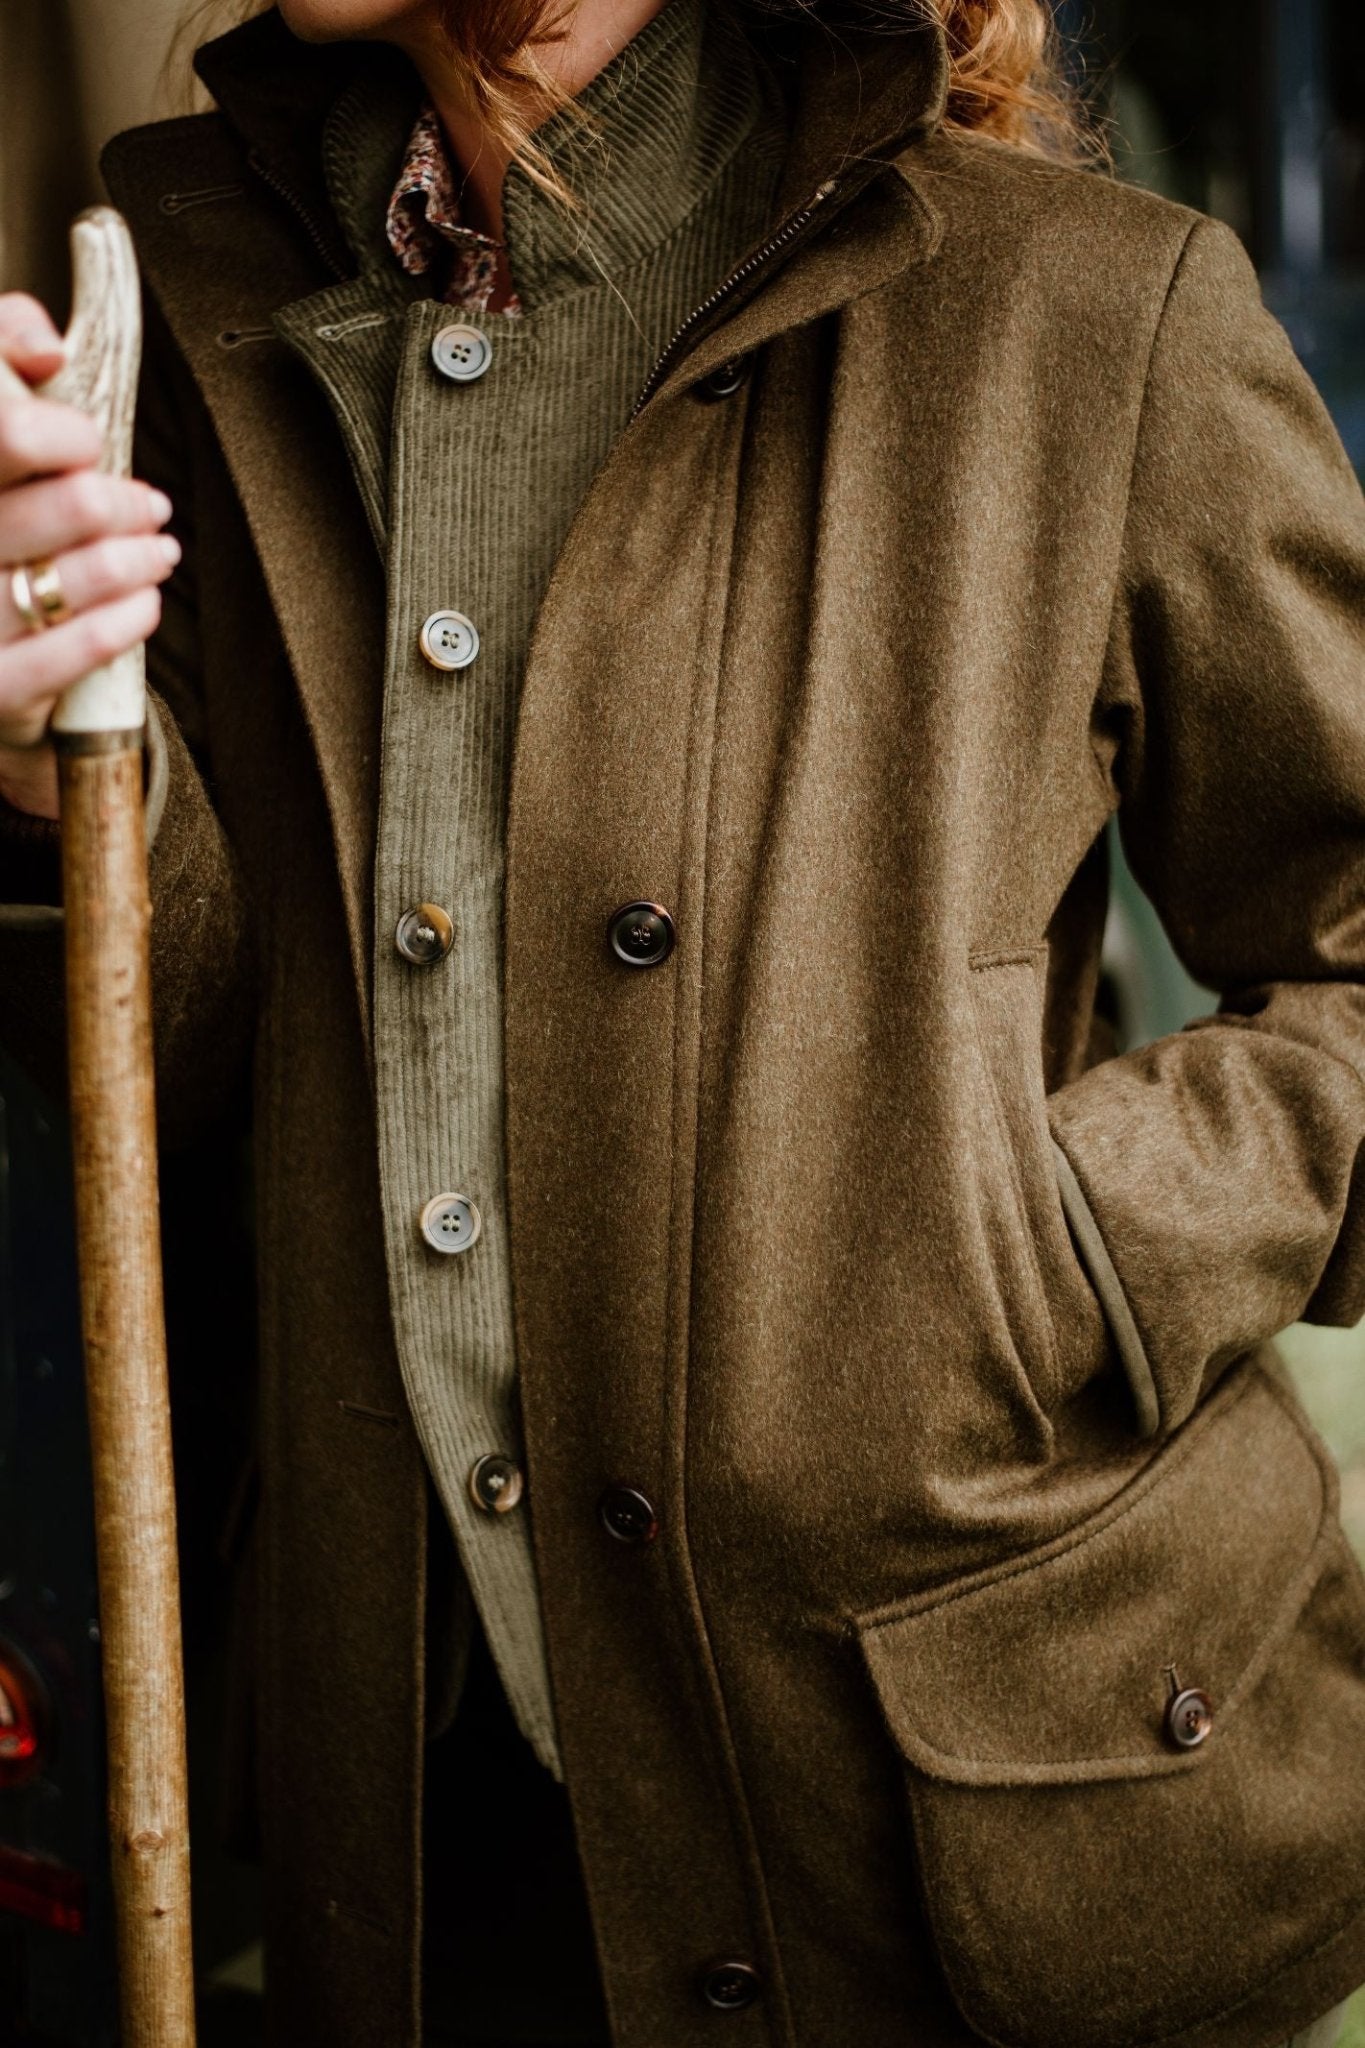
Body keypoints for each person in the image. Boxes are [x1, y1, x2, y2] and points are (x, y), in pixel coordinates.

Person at [0, 0, 1363, 2041]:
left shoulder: (1088, 312)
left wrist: (1043, 1242)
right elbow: (228, 1042)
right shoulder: (195, 292)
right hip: (429, 1817)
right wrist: (48, 745)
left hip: (957, 1804)